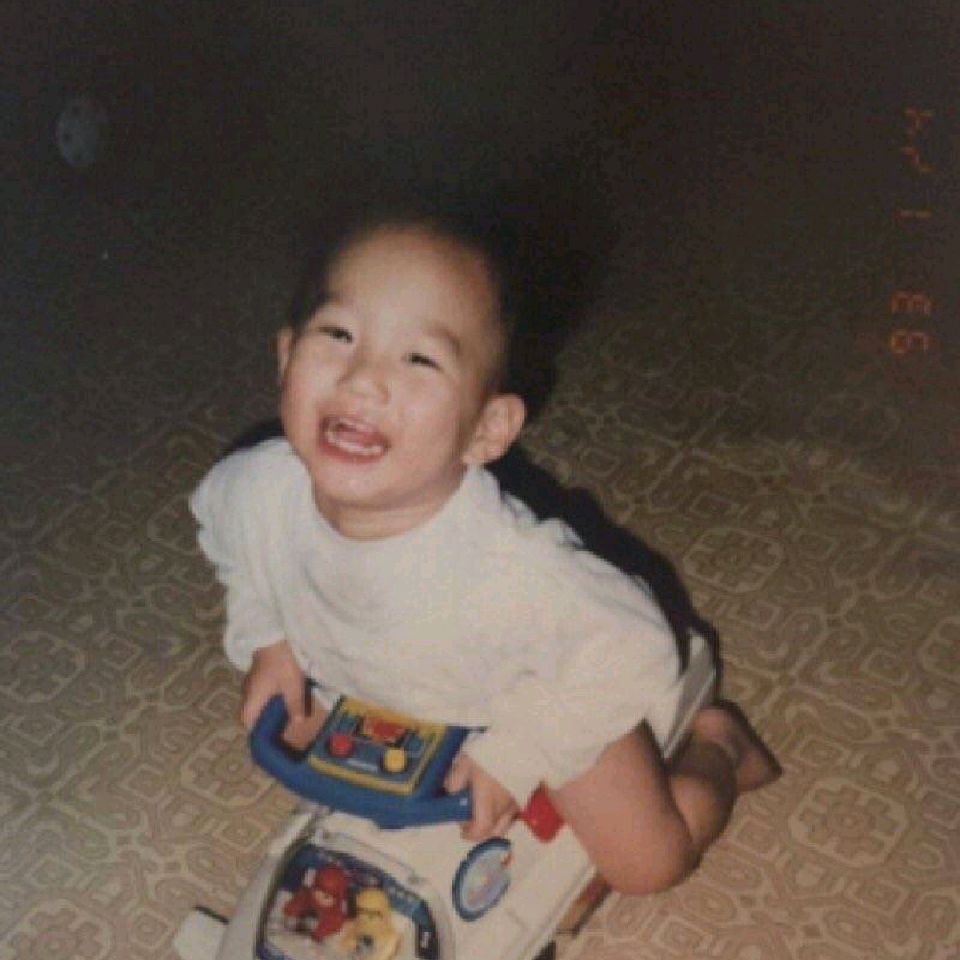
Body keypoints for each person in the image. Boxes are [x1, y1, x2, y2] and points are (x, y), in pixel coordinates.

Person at [190, 208, 781, 896]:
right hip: (378, 676)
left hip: (528, 692)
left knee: (647, 863)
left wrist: (520, 750)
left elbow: (636, 647)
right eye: (340, 334)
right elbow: (231, 544)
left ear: (487, 429)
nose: (363, 379)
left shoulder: (510, 570)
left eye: (419, 359)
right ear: (287, 356)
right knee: (290, 733)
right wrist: (268, 637)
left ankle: (720, 748)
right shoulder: (253, 489)